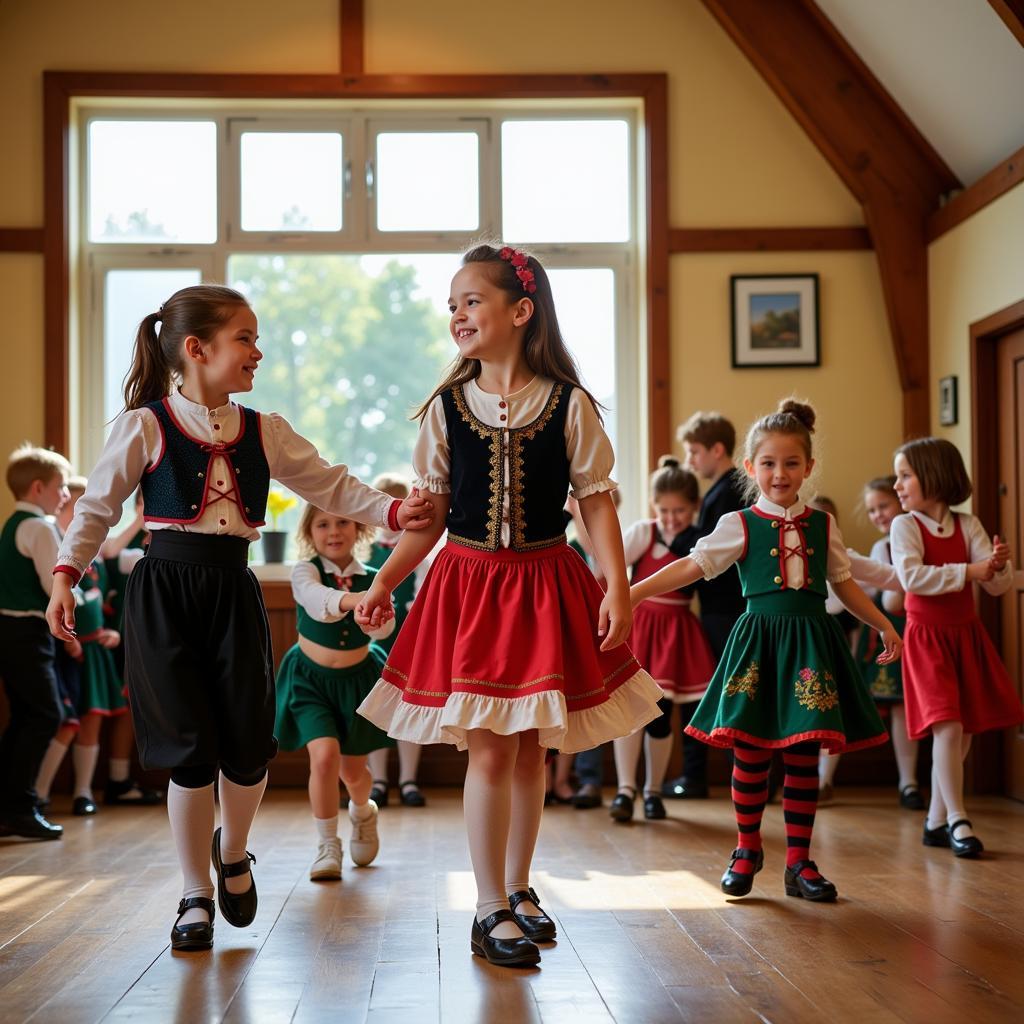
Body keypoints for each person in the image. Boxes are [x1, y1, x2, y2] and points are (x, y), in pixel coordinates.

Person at [47, 284, 433, 952]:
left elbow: (331, 485)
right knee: (189, 754)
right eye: (245, 338)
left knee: (248, 746)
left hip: (233, 586)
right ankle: (195, 892)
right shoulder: (145, 424)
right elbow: (97, 509)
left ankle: (235, 851)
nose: (258, 351)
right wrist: (64, 575)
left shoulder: (265, 430)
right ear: (198, 349)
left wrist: (395, 513)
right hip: (163, 590)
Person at [355, 244, 663, 968]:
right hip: (468, 588)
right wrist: (382, 581)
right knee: (491, 748)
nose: (458, 314)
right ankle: (488, 904)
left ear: (520, 312)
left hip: (545, 583)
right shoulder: (444, 409)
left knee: (528, 747)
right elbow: (426, 517)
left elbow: (594, 499)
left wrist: (616, 582)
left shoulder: (568, 404)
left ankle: (518, 887)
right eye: (452, 304)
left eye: (472, 300)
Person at [630, 399, 899, 902]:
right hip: (757, 645)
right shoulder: (739, 522)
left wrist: (883, 622)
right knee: (750, 752)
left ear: (809, 468)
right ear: (751, 468)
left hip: (810, 649)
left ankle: (799, 861)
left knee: (802, 756)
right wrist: (635, 592)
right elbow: (692, 566)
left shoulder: (823, 524)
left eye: (792, 463)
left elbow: (844, 584)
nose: (781, 473)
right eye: (769, 464)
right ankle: (746, 847)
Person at [891, 437, 1022, 857]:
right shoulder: (904, 526)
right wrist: (972, 569)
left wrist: (998, 568)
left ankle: (934, 820)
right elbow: (912, 579)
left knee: (961, 733)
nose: (898, 485)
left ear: (935, 476)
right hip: (927, 638)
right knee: (947, 725)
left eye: (905, 475)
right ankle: (958, 820)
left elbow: (997, 585)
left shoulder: (969, 525)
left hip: (965, 634)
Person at [275, 504, 395, 880]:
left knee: (354, 772)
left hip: (358, 681)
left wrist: (378, 617)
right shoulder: (304, 571)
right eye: (322, 524)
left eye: (342, 521)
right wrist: (358, 601)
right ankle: (328, 845)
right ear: (309, 533)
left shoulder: (376, 577)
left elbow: (382, 633)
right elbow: (317, 601)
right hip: (309, 680)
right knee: (324, 757)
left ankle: (363, 811)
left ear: (357, 529)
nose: (333, 531)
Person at [610, 457, 715, 822]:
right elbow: (609, 568)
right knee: (629, 714)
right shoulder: (644, 532)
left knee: (661, 716)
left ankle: (653, 791)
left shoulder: (700, 540)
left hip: (676, 633)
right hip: (640, 629)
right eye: (665, 510)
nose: (672, 518)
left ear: (694, 507)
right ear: (655, 506)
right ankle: (625, 789)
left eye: (680, 511)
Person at [663, 411, 748, 800]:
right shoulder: (721, 489)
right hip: (718, 609)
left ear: (717, 450)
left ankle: (715, 776)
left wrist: (675, 538)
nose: (691, 460)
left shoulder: (728, 492)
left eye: (695, 451)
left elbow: (710, 550)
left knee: (724, 691)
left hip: (726, 610)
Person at [35, 476, 130, 817]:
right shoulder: (53, 549)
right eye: (70, 509)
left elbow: (113, 555)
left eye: (83, 511)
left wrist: (113, 634)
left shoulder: (99, 558)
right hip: (64, 649)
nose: (78, 518)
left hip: (94, 651)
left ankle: (83, 791)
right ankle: (38, 794)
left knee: (91, 720)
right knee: (65, 721)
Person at [0, 444, 71, 840]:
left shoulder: (14, 523)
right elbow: (52, 584)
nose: (64, 495)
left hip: (9, 633)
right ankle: (21, 807)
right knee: (45, 715)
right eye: (61, 486)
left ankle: (10, 805)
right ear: (39, 488)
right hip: (26, 634)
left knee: (26, 717)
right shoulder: (40, 528)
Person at [854, 476, 922, 809]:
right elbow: (871, 591)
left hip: (919, 628)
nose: (878, 515)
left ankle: (912, 780)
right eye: (871, 510)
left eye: (884, 506)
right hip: (889, 630)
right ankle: (907, 782)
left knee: (913, 704)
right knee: (898, 704)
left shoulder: (918, 538)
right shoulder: (882, 548)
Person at [365, 473, 428, 808]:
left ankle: (408, 779)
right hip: (374, 643)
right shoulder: (366, 554)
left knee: (407, 709)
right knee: (377, 711)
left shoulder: (419, 555)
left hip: (408, 639)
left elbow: (423, 596)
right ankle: (378, 780)